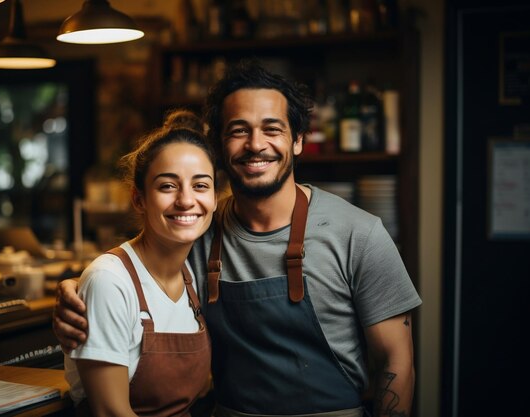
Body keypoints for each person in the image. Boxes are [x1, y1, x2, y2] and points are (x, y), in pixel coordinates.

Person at [54, 61, 422, 417]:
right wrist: (81, 287)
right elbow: (139, 268)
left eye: (272, 129)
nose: (255, 144)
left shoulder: (360, 234)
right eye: (239, 130)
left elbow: (397, 362)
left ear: (298, 141)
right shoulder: (198, 230)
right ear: (219, 145)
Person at [63, 110, 216, 417]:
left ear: (214, 198)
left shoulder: (193, 276)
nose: (186, 200)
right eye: (167, 186)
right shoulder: (110, 282)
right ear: (138, 199)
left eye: (200, 185)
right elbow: (110, 412)